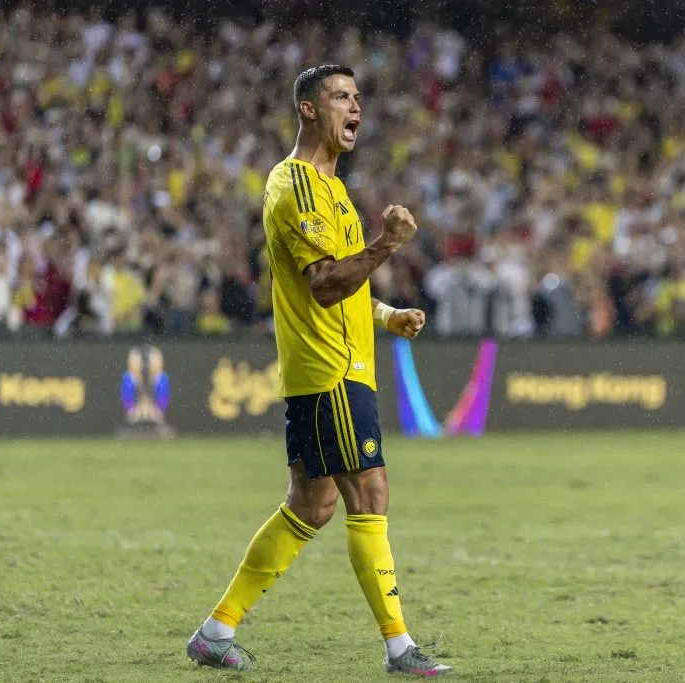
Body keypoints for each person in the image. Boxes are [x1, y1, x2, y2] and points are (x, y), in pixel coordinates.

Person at [186, 65, 452, 677]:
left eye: (358, 98)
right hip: (330, 371)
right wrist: (386, 245)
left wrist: (384, 315)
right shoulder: (297, 185)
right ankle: (399, 647)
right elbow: (325, 285)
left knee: (310, 506)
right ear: (308, 110)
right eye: (340, 97)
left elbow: (340, 281)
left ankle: (216, 630)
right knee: (371, 490)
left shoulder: (333, 192)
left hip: (344, 365)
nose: (354, 107)